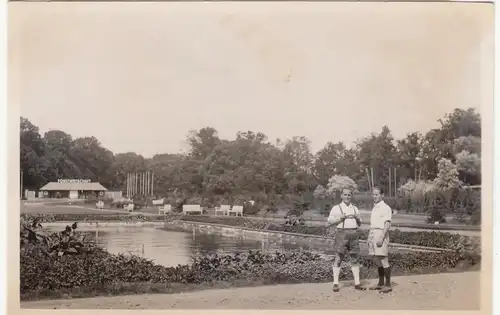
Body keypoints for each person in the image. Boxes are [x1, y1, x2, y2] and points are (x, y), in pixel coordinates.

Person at [326, 188, 365, 292]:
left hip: (353, 233)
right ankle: (335, 283)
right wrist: (340, 218)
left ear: (351, 196)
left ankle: (357, 283)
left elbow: (360, 223)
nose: (347, 197)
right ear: (341, 196)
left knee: (354, 258)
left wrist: (357, 218)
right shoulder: (336, 208)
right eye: (345, 194)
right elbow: (329, 222)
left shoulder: (355, 208)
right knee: (338, 257)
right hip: (341, 233)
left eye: (349, 195)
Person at [368, 186, 393, 293]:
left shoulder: (385, 207)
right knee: (376, 259)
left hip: (381, 233)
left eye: (377, 194)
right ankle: (380, 283)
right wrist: (369, 236)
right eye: (373, 194)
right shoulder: (375, 207)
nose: (375, 196)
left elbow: (387, 223)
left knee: (383, 258)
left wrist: (382, 237)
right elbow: (373, 223)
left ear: (382, 195)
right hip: (373, 233)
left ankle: (388, 285)